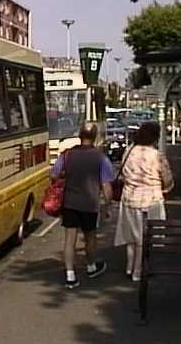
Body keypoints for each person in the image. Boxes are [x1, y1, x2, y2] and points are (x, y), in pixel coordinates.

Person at [51, 122, 115, 289]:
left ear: (79, 136)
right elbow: (107, 186)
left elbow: (53, 174)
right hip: (90, 203)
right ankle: (91, 267)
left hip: (70, 203)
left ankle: (70, 275)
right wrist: (107, 205)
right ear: (95, 138)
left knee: (69, 239)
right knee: (90, 237)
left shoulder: (67, 155)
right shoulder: (101, 158)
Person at [114, 122, 174, 282]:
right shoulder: (157, 155)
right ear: (155, 136)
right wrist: (166, 188)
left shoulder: (129, 151)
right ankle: (139, 271)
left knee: (131, 236)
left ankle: (129, 266)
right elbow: (167, 179)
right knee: (145, 238)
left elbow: (123, 173)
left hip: (129, 198)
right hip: (151, 199)